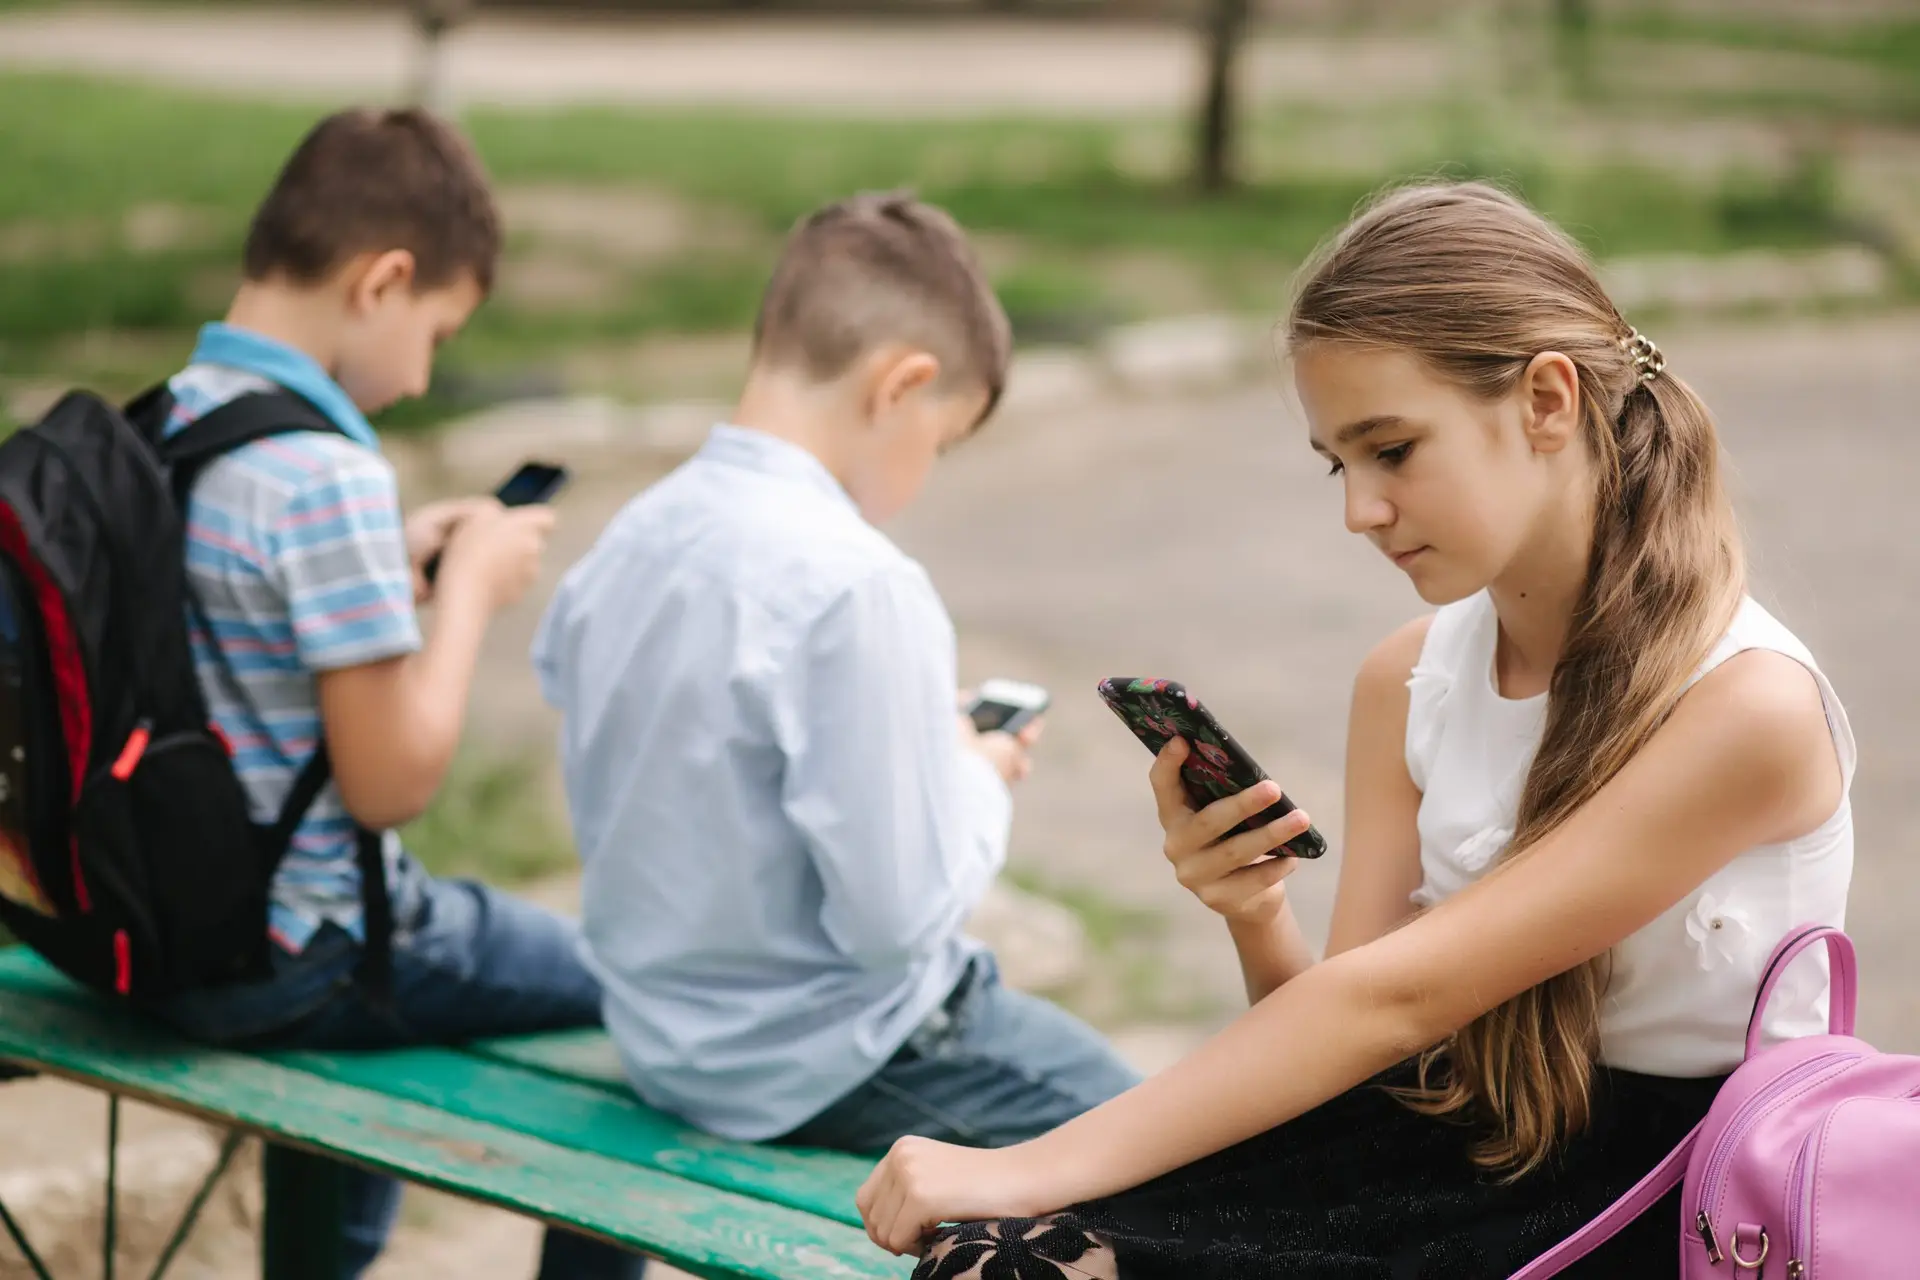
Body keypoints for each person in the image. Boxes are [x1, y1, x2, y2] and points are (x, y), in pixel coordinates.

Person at [854, 181, 1855, 1279]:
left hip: (1663, 1204)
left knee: (1019, 1242)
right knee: (999, 1260)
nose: (1360, 511)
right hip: (1440, 1153)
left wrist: (1028, 1162)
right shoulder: (1408, 678)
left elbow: (1394, 999)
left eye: (1394, 449)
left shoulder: (1748, 706)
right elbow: (1354, 1042)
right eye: (1342, 463)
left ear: (1548, 401)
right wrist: (1254, 909)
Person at [533, 192, 1138, 1167]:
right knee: (1197, 1152)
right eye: (940, 443)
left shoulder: (633, 532)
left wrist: (904, 739)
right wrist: (974, 774)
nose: (926, 471)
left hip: (662, 1040)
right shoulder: (859, 586)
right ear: (902, 385)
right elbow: (892, 925)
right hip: (828, 1060)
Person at [145, 107, 643, 1280]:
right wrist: (465, 593)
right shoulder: (327, 471)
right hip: (297, 955)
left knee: (388, 962)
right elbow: (388, 785)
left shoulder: (173, 418)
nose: (423, 372)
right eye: (439, 330)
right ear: (385, 281)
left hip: (161, 927)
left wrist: (395, 564)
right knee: (641, 997)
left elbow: (234, 629)